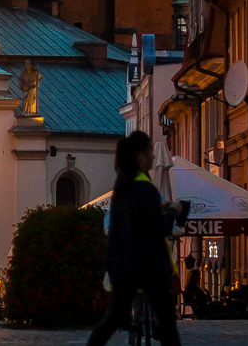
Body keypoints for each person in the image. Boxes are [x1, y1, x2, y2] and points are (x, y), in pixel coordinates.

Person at [85, 130, 181, 346]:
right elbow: (158, 229)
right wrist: (172, 211)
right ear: (140, 156)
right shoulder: (145, 189)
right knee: (167, 321)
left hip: (123, 266)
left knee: (113, 318)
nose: (153, 157)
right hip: (149, 267)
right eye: (149, 152)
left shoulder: (122, 187)